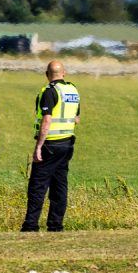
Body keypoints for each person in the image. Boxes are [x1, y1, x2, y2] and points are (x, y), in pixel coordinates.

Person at [21, 60, 80, 233]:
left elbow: (46, 120)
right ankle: (55, 225)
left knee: (37, 187)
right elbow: (77, 119)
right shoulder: (73, 90)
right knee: (59, 186)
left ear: (47, 75)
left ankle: (30, 226)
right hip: (67, 144)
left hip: (50, 145)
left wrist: (38, 146)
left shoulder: (49, 91)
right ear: (64, 73)